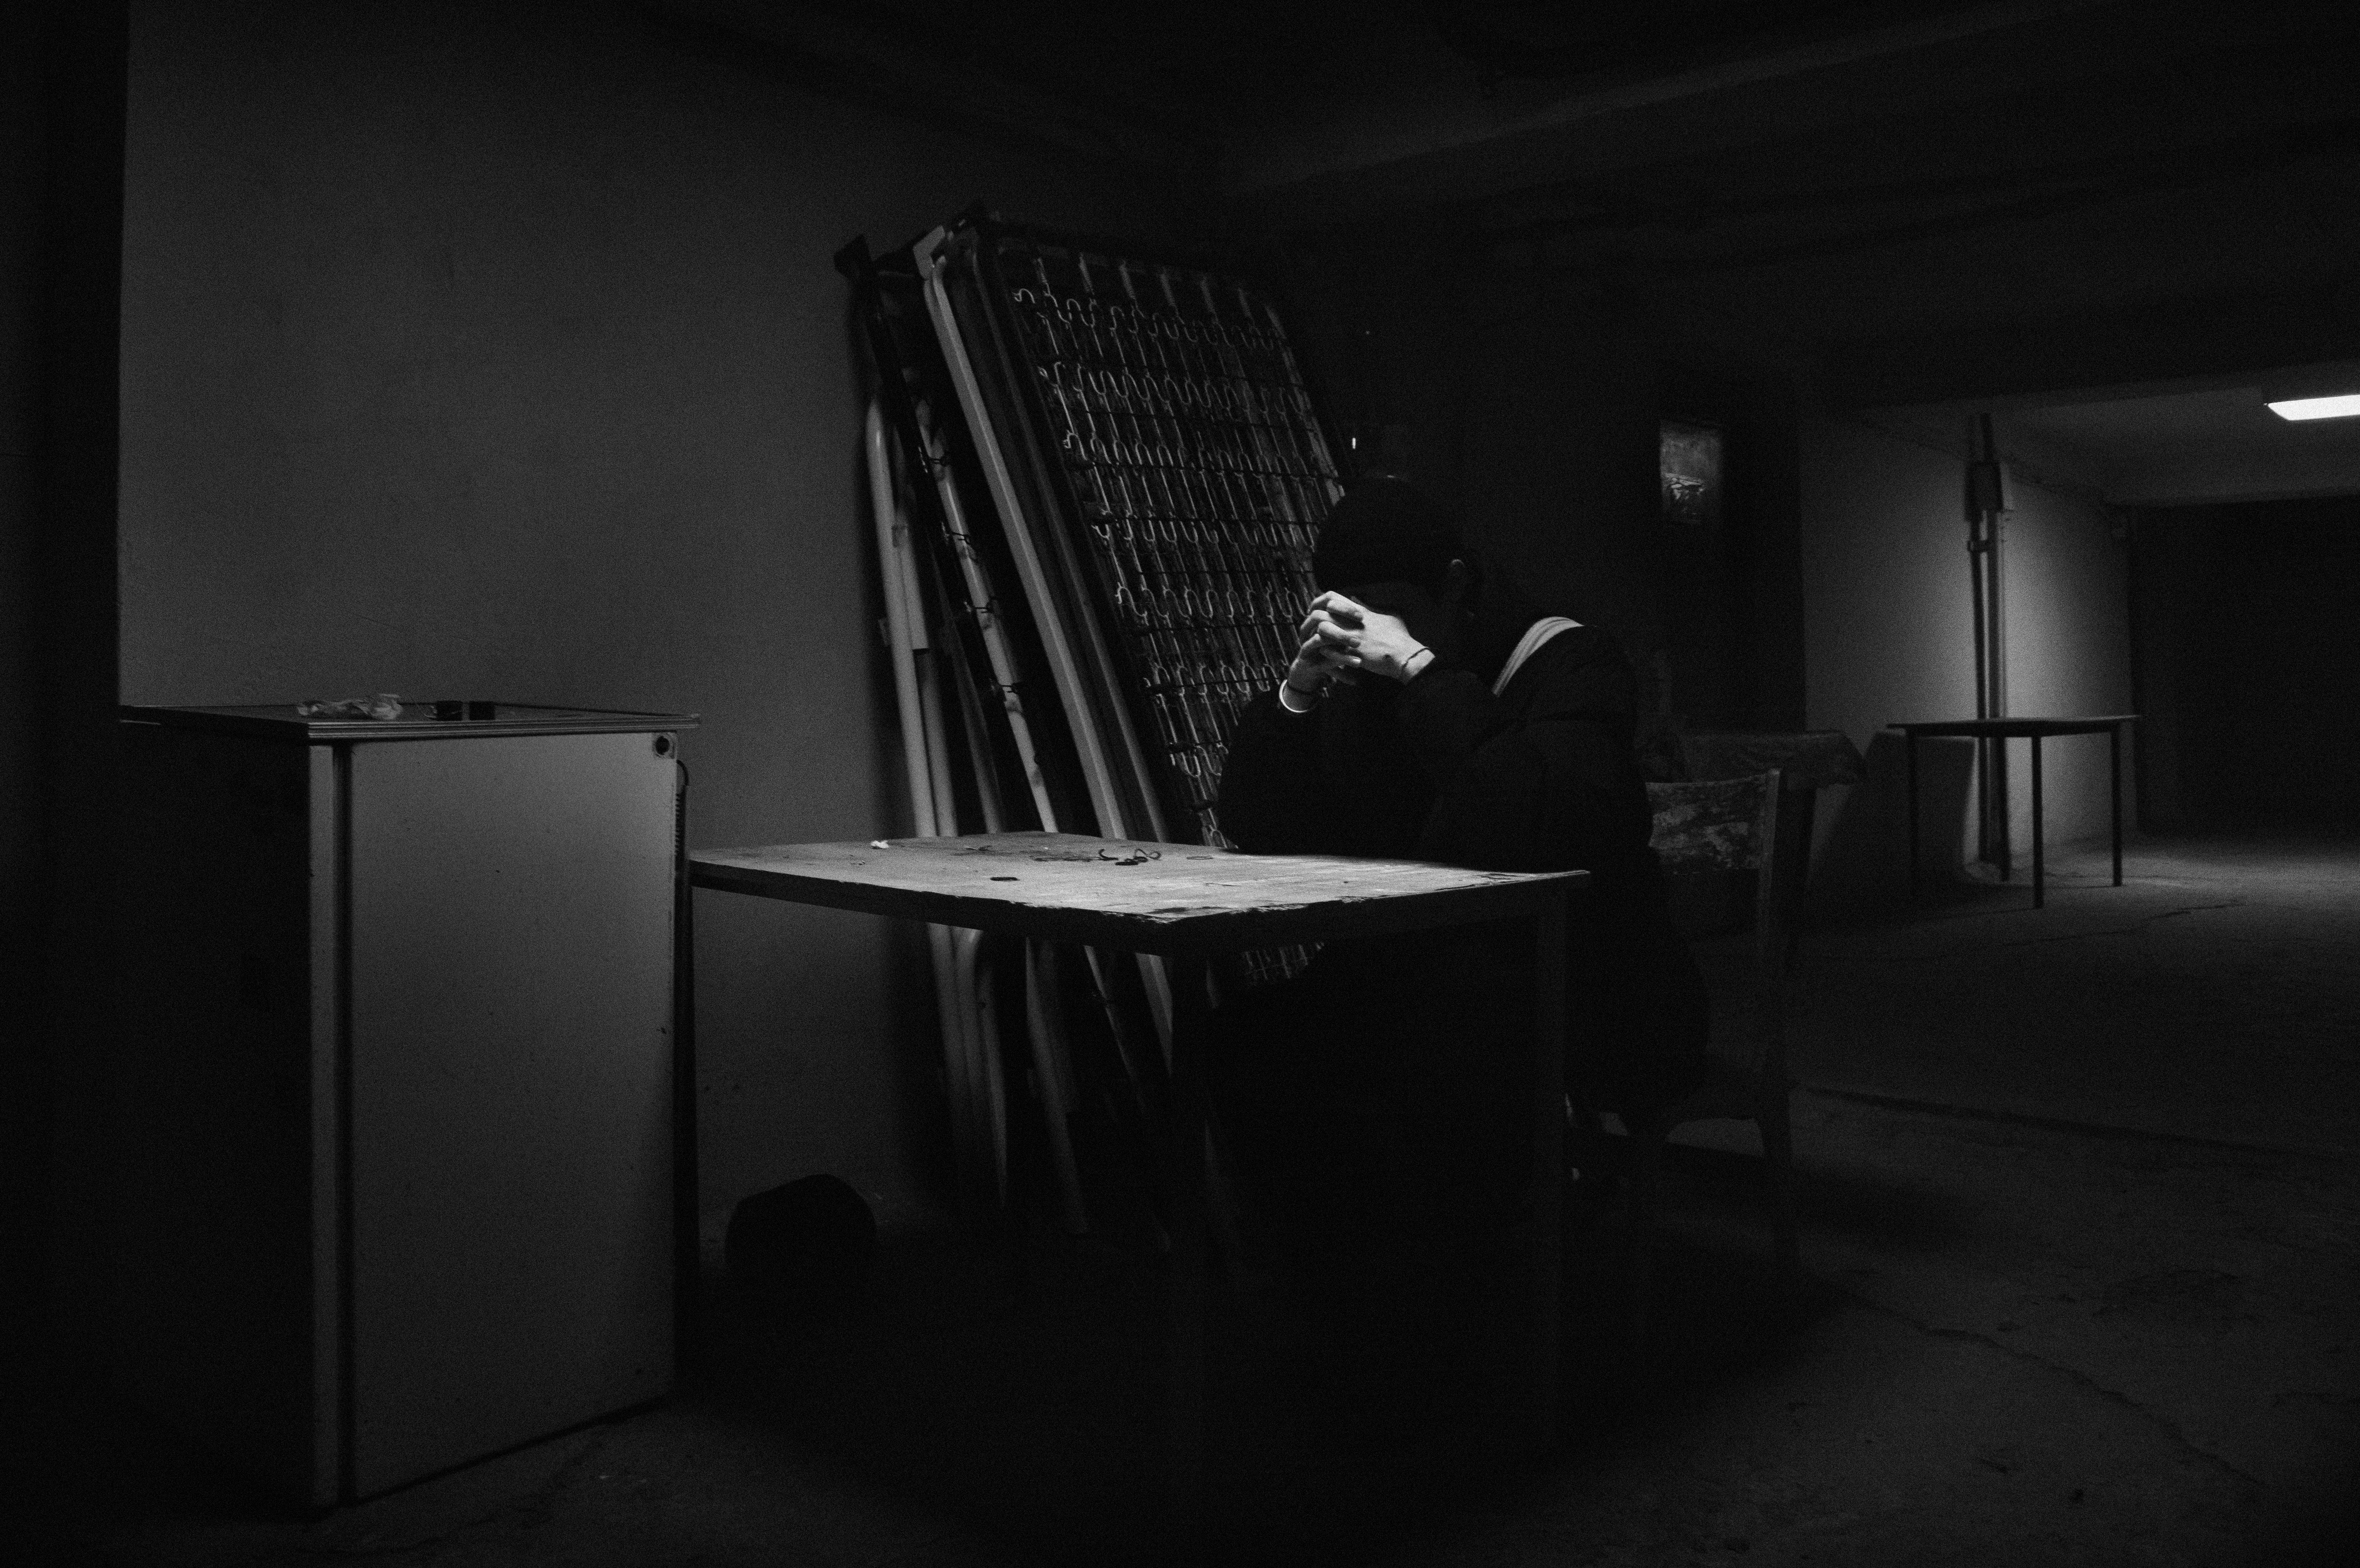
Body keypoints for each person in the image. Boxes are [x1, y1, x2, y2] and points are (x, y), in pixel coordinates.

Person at [1205, 475, 1708, 1295]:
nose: (1374, 632)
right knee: (1255, 1040)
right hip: (1433, 973)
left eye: (1392, 610)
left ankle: (1469, 1302)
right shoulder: (1370, 690)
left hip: (1592, 980)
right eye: (1355, 612)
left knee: (1434, 1062)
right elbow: (1263, 823)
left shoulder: (1570, 660)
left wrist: (1420, 670)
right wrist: (1296, 696)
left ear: (1456, 585)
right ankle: (1346, 1290)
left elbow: (1548, 825)